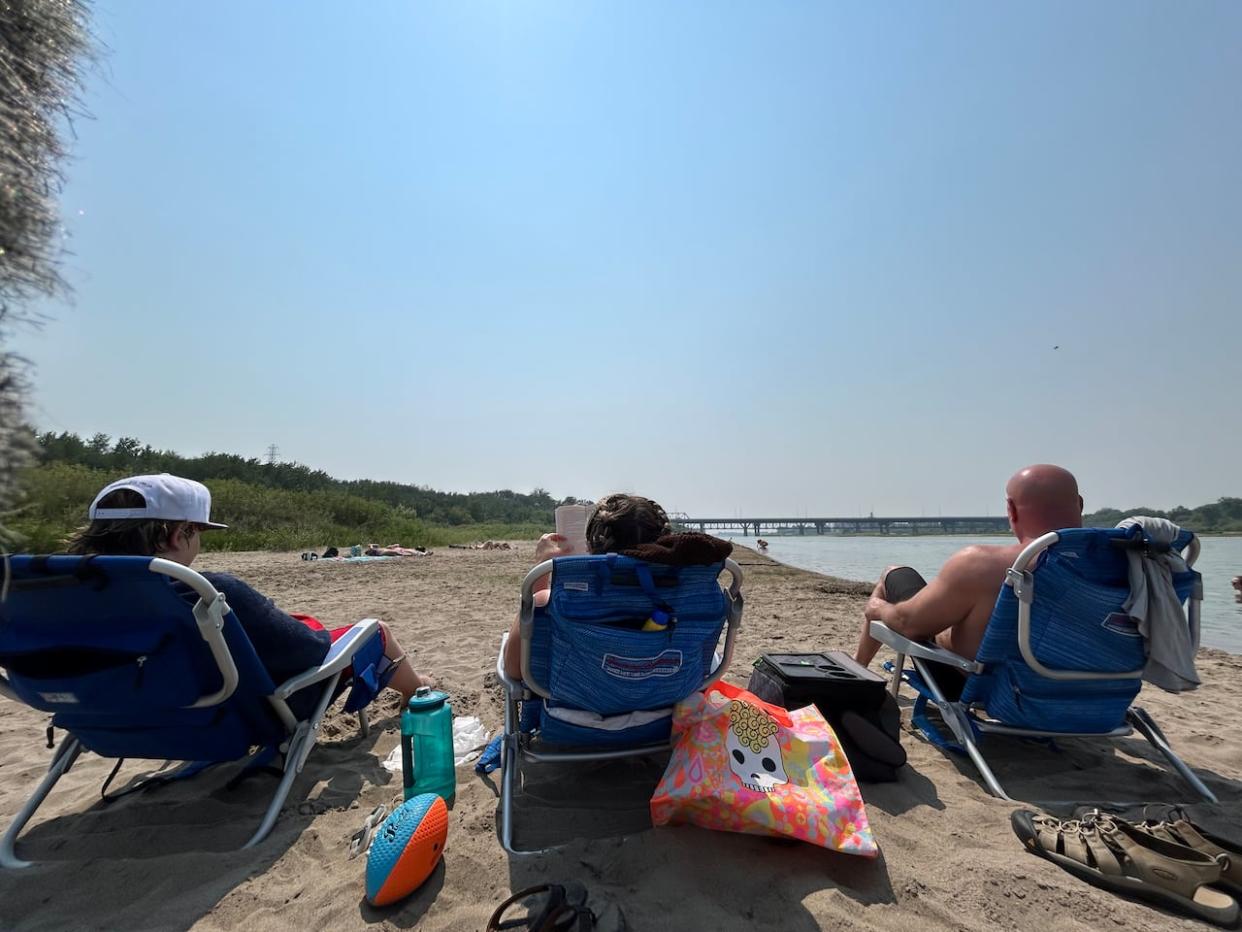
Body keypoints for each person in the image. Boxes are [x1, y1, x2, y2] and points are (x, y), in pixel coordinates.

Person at [67, 474, 431, 704]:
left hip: (126, 708)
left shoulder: (70, 598)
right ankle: (418, 689)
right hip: (237, 706)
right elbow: (310, 654)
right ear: (180, 534)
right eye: (200, 532)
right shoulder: (208, 594)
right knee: (374, 632)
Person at [853, 464, 1084, 696]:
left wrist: (879, 609)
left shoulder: (981, 564)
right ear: (1080, 505)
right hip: (1085, 695)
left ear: (1011, 510)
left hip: (985, 689)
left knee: (893, 574)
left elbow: (909, 625)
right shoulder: (1118, 563)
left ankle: (856, 673)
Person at [503, 493, 672, 679]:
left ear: (591, 545)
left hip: (573, 700)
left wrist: (542, 567)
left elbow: (515, 669)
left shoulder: (555, 600)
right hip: (664, 700)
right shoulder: (680, 597)